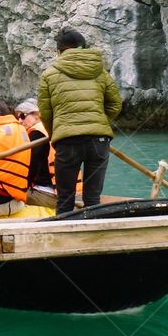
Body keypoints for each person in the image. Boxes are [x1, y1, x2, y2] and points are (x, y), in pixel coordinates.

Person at [37, 28, 122, 214]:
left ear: (59, 51)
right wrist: (98, 122)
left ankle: (63, 239)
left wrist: (56, 134)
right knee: (93, 198)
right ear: (83, 47)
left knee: (65, 198)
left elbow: (45, 112)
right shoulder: (101, 72)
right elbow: (115, 105)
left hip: (67, 141)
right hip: (99, 141)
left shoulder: (49, 75)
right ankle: (93, 240)